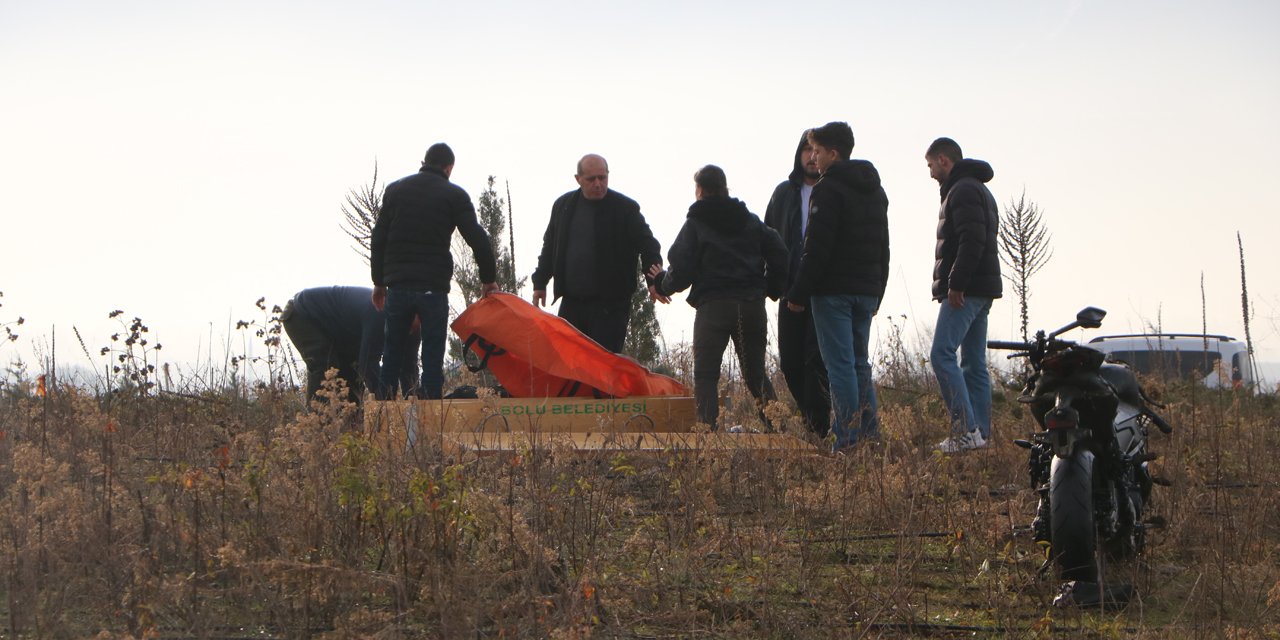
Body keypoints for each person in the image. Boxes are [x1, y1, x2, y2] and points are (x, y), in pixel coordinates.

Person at [649, 165, 789, 430]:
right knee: (755, 373)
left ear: (699, 191)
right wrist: (771, 288)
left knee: (705, 375)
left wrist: (661, 284)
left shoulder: (696, 223)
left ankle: (708, 435)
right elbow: (779, 252)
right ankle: (779, 430)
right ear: (726, 188)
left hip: (713, 307)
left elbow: (682, 270)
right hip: (751, 305)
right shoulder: (749, 220)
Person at [785, 122, 889, 452]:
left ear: (833, 153)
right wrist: (878, 290)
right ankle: (870, 436)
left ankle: (846, 438)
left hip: (833, 292)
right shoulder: (875, 189)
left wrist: (799, 293)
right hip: (866, 289)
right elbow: (884, 245)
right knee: (859, 363)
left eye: (816, 151)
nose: (812, 157)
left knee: (840, 366)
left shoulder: (827, 190)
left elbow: (816, 248)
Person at [371, 142, 498, 399]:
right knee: (432, 355)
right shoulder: (454, 195)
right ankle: (431, 413)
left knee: (392, 352)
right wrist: (488, 279)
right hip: (433, 288)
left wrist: (379, 282)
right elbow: (478, 238)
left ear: (424, 162)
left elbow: (379, 237)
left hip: (398, 285)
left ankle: (382, 416)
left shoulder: (395, 190)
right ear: (449, 168)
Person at [531, 154, 666, 353]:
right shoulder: (563, 206)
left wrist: (655, 281)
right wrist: (540, 282)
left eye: (602, 178)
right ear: (578, 179)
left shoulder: (625, 208)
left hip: (611, 306)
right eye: (591, 179)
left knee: (603, 368)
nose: (598, 184)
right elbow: (550, 246)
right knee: (568, 363)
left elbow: (648, 245)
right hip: (572, 302)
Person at [926, 137, 1002, 453]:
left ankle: (966, 430)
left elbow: (973, 240)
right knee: (972, 361)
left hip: (966, 290)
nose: (929, 173)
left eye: (930, 165)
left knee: (941, 354)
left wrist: (956, 283)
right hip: (982, 288)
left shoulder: (963, 190)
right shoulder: (978, 189)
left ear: (944, 160)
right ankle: (980, 435)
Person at [765, 130, 831, 438]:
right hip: (790, 288)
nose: (809, 156)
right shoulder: (783, 193)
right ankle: (810, 415)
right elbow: (767, 236)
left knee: (816, 360)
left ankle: (817, 427)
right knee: (790, 361)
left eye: (814, 150)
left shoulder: (834, 189)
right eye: (805, 150)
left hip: (824, 289)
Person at [282, 286, 419, 403]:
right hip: (302, 314)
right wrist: (386, 401)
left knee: (351, 375)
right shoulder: (380, 312)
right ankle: (317, 426)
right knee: (327, 367)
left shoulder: (414, 329)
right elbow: (368, 362)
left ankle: (351, 425)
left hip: (342, 332)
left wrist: (412, 401)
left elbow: (409, 366)